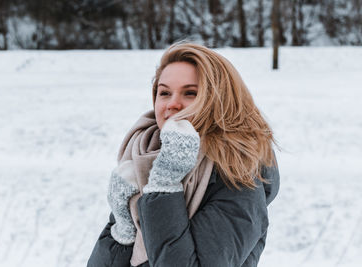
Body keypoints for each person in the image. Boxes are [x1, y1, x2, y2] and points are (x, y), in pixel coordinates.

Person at [87, 42, 280, 267]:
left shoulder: (237, 179)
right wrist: (122, 229)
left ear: (219, 101)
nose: (172, 104)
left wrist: (164, 187)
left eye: (190, 93)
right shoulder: (144, 161)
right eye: (164, 92)